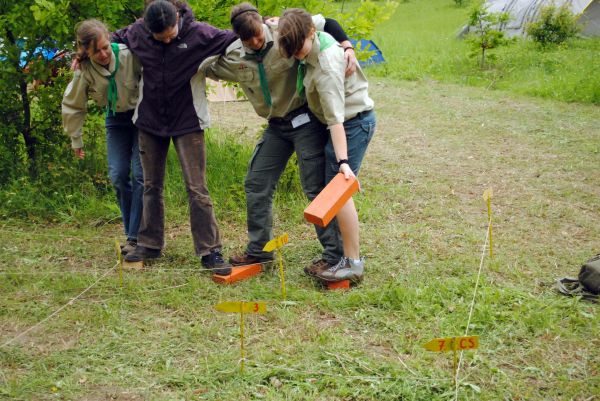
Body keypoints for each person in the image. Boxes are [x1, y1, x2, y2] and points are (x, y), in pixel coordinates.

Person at [200, 3, 358, 276]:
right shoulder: (235, 54)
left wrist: (347, 46)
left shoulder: (283, 31)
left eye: (259, 35)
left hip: (304, 120)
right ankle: (260, 252)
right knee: (256, 182)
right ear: (239, 38)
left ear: (263, 24)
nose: (257, 42)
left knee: (315, 188)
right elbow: (205, 65)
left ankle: (334, 255)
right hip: (276, 126)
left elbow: (327, 22)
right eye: (249, 40)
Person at [112, 0, 238, 275]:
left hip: (188, 122)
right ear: (147, 28)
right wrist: (82, 54)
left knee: (197, 188)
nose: (167, 39)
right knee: (150, 186)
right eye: (161, 37)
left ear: (178, 18)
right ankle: (149, 244)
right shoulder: (137, 32)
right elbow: (110, 40)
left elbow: (235, 36)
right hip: (149, 121)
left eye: (171, 33)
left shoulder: (201, 34)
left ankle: (210, 251)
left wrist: (265, 24)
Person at [278, 8, 376, 283]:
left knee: (338, 190)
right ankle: (337, 256)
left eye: (300, 48)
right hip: (329, 121)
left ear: (310, 34)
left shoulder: (326, 67)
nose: (297, 53)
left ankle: (352, 263)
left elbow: (336, 122)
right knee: (324, 188)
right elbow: (327, 20)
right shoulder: (296, 27)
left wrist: (343, 163)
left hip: (352, 123)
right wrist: (348, 44)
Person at [62, 19, 143, 256]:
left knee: (141, 176)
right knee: (118, 175)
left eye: (105, 47)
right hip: (116, 120)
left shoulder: (129, 55)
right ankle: (131, 231)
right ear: (84, 51)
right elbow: (73, 105)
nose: (103, 53)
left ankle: (135, 238)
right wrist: (76, 139)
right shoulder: (84, 70)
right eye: (96, 51)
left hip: (141, 118)